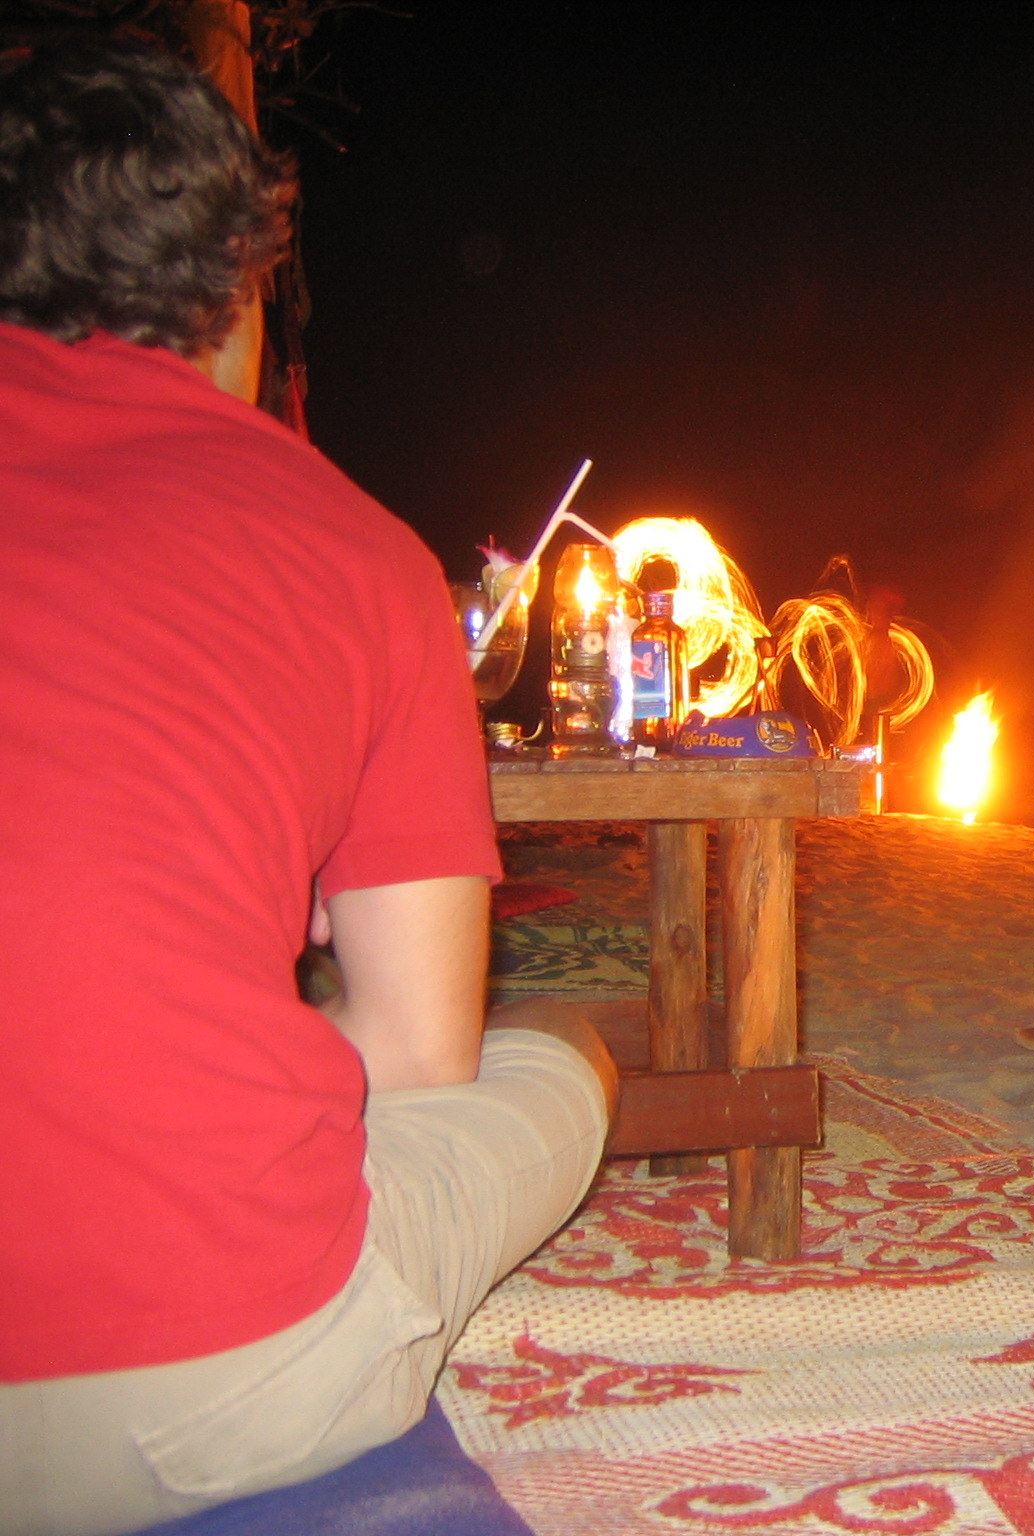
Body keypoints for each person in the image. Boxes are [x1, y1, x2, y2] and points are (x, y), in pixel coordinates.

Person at [0, 41, 616, 1534]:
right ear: (240, 291)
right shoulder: (352, 554)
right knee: (557, 1066)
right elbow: (416, 1053)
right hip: (191, 1397)